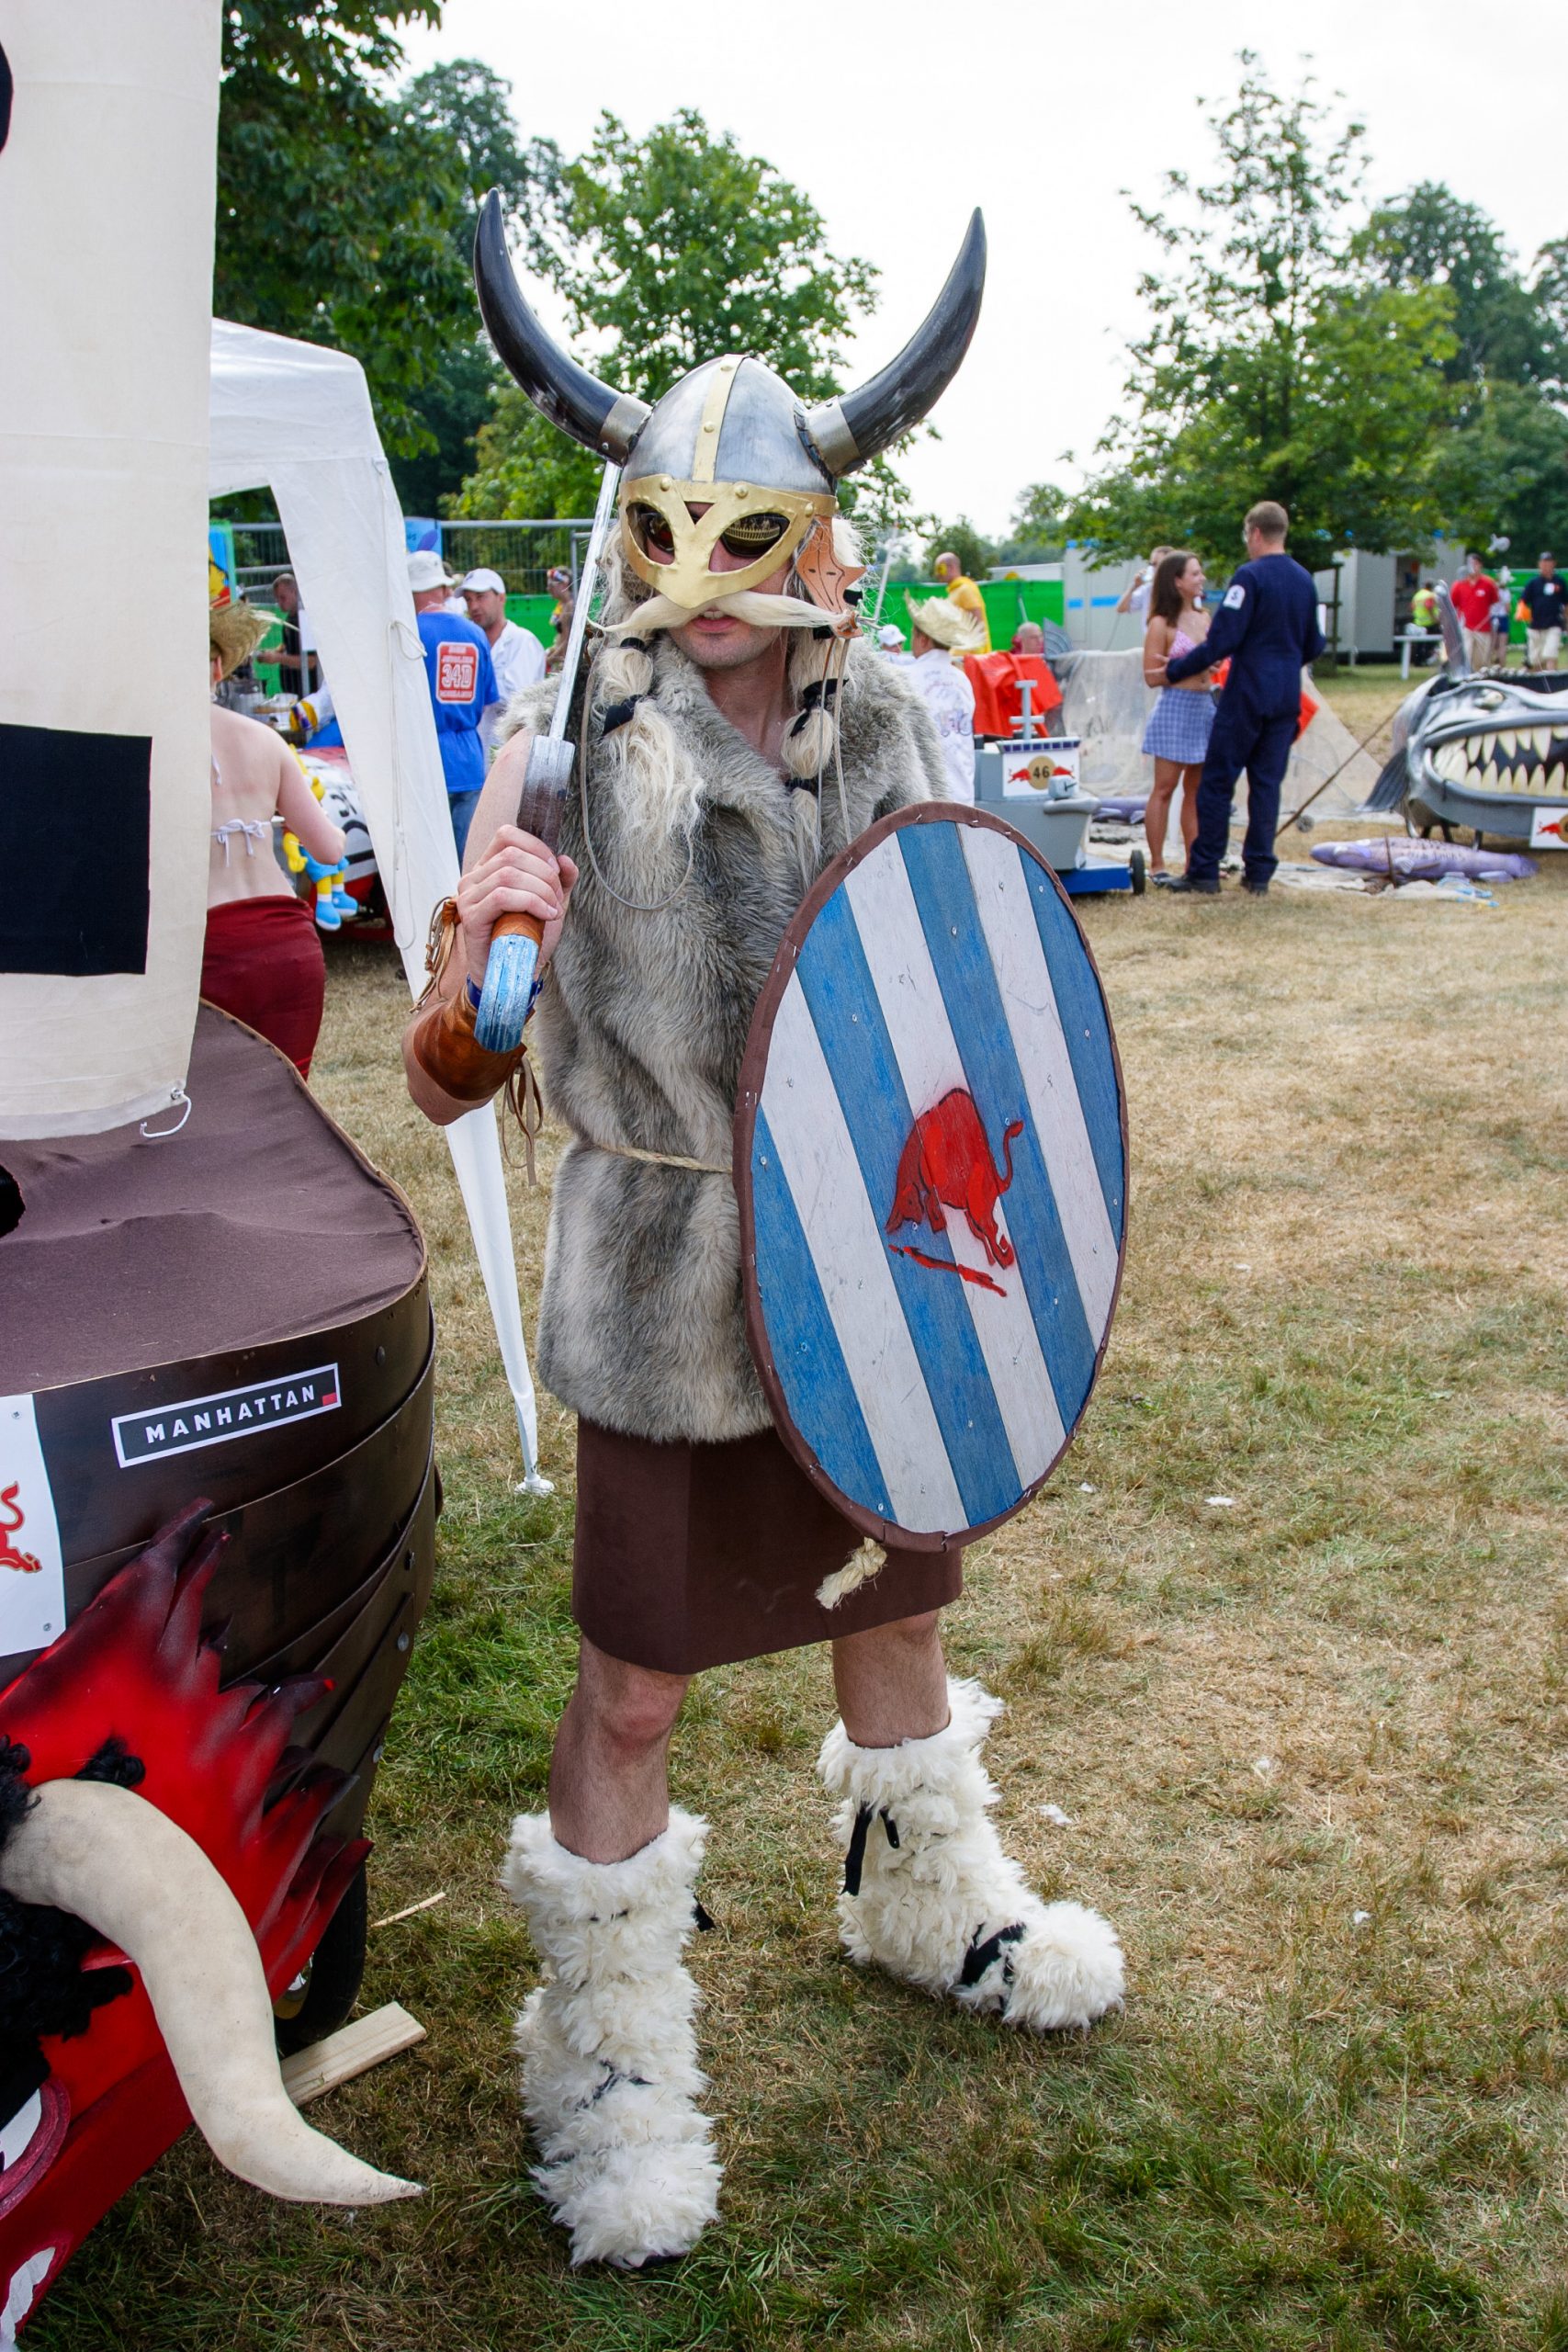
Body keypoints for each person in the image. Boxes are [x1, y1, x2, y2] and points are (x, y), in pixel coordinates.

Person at [402, 214, 1122, 2272]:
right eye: (665, 537)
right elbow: (449, 1083)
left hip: (884, 1281)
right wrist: (480, 953)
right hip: (663, 1290)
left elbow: (966, 989)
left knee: (896, 1615)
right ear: (632, 534)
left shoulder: (897, 722)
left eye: (744, 541)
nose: (699, 593)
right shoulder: (568, 746)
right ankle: (609, 2051)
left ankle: (925, 1901)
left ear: (817, 541)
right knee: (633, 1687)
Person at [203, 600, 345, 1077]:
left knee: (208, 1105)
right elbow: (329, 848)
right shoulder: (265, 740)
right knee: (290, 1103)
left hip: (206, 949)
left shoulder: (151, 752)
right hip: (288, 945)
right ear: (219, 666)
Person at [1161, 501, 1326, 897]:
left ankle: (1204, 870)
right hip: (1286, 695)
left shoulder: (1248, 578)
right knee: (1267, 785)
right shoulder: (1304, 580)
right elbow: (1315, 643)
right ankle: (1259, 873)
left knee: (1218, 782)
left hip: (1246, 693)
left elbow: (1223, 640)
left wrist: (1174, 669)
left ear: (1254, 533)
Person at [409, 549, 502, 858]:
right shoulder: (475, 634)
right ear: (444, 588)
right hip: (469, 761)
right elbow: (489, 698)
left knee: (426, 866)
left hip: (424, 761)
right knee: (466, 866)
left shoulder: (410, 634)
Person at [1138, 550, 1213, 884]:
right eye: (1195, 574)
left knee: (1196, 791)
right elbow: (1151, 676)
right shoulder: (1160, 624)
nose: (1201, 579)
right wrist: (1188, 669)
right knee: (1165, 788)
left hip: (1204, 707)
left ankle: (1193, 862)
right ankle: (1156, 864)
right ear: (1177, 581)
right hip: (1174, 709)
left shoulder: (1205, 618)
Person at [460, 567, 547, 754]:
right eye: (468, 599)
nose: (473, 606)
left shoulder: (523, 642)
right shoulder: (470, 644)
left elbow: (517, 695)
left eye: (480, 596)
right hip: (476, 753)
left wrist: (471, 689)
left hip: (510, 753)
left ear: (501, 598)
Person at [908, 597, 980, 799]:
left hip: (926, 796)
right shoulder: (962, 679)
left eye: (913, 635)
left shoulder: (908, 677)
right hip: (964, 795)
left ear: (923, 640)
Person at [1450, 550, 1501, 673]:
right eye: (1470, 564)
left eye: (1475, 564)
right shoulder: (1459, 584)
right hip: (1465, 627)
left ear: (1480, 566)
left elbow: (1496, 603)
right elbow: (1452, 604)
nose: (1473, 567)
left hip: (1483, 627)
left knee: (1481, 660)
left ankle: (1480, 678)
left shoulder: (1488, 583)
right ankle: (1466, 679)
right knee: (1466, 654)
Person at [931, 549, 991, 650]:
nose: (937, 574)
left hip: (967, 657)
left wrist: (975, 659)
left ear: (951, 567)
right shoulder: (954, 592)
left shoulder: (966, 590)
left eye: (940, 569)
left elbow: (978, 626)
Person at [1518, 551, 1566, 668]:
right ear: (1539, 564)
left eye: (1548, 562)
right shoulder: (1533, 583)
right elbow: (1523, 601)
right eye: (1543, 562)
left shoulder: (1560, 582)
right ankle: (1540, 684)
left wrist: (1566, 621)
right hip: (1536, 626)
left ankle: (1552, 680)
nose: (1546, 565)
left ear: (1553, 564)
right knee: (1535, 661)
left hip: (1554, 624)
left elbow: (1566, 603)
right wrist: (1521, 613)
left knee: (1550, 654)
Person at [270, 571, 307, 695]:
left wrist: (277, 658)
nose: (279, 603)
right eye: (277, 598)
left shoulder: (305, 619)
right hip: (293, 692)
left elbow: (311, 661)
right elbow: (289, 645)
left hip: (306, 691)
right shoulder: (290, 618)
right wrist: (275, 652)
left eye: (282, 597)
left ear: (295, 592)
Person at [1116, 547, 1172, 622]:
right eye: (1151, 564)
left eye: (1155, 564)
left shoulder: (1183, 588)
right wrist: (1135, 586)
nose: (1152, 568)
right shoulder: (1148, 589)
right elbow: (1121, 608)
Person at [543, 563, 575, 674]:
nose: (548, 589)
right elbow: (561, 639)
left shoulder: (571, 607)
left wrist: (548, 661)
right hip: (562, 663)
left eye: (551, 585)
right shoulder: (563, 605)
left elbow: (569, 642)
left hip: (567, 666)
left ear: (563, 584)